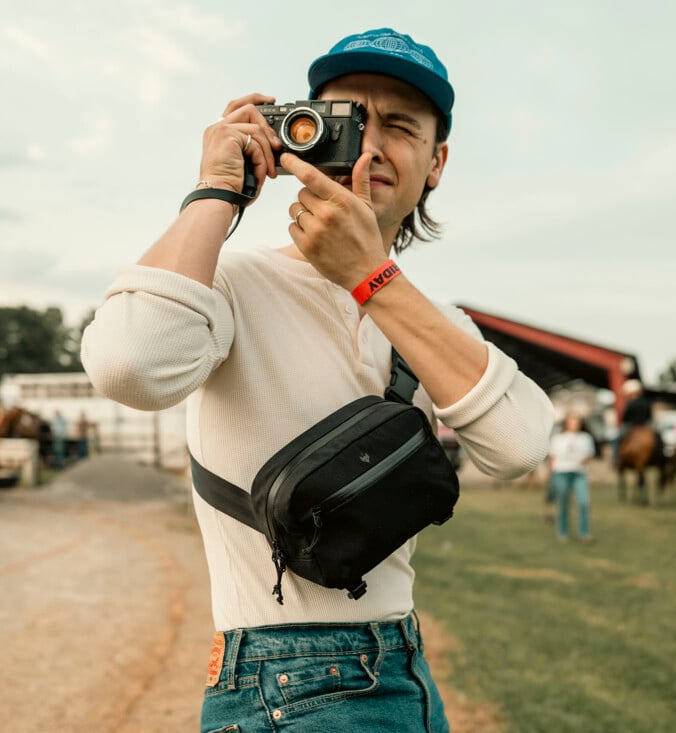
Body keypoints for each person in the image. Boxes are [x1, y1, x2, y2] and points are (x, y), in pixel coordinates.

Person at [81, 27, 554, 732]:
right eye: (347, 120)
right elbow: (127, 366)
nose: (370, 144)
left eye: (399, 126)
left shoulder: (432, 320)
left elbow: (520, 444)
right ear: (299, 131)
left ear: (437, 162)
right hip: (279, 683)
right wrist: (215, 191)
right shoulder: (232, 281)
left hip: (405, 667)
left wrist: (373, 278)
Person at [548, 413, 595, 543]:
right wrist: (551, 474)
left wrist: (582, 460)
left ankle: (584, 533)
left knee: (583, 502)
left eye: (577, 421)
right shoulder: (558, 438)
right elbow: (552, 457)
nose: (575, 424)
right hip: (561, 473)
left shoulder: (586, 438)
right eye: (572, 421)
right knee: (562, 503)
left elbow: (590, 454)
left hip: (579, 473)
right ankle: (562, 532)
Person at [613, 379, 652, 463]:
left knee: (617, 439)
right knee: (657, 437)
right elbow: (649, 416)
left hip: (631, 426)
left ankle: (616, 458)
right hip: (645, 426)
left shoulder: (630, 403)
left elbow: (625, 417)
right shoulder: (646, 402)